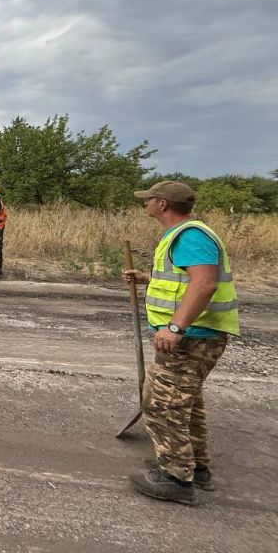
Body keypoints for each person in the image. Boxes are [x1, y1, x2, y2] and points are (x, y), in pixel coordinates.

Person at [122, 180, 240, 505]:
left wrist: (175, 327)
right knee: (188, 403)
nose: (145, 203)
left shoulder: (190, 236)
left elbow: (204, 284)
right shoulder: (183, 234)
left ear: (163, 204)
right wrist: (148, 279)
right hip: (196, 336)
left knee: (163, 405)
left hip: (191, 338)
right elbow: (186, 280)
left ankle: (176, 478)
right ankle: (196, 468)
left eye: (149, 199)